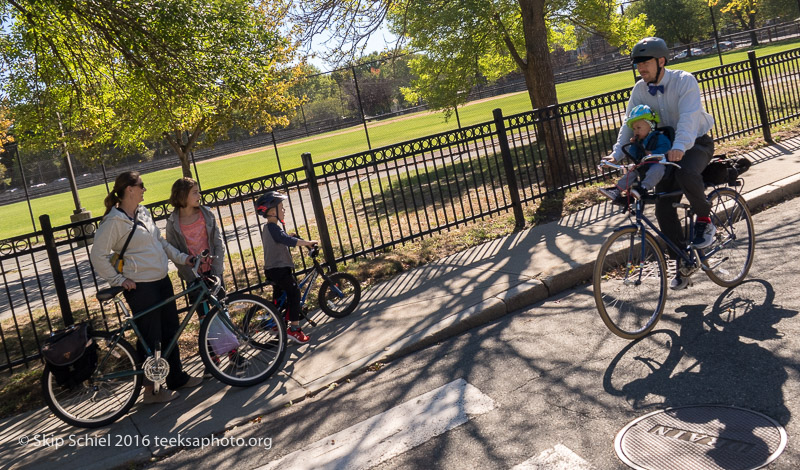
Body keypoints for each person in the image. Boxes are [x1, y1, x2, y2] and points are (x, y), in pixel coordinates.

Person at [607, 36, 716, 290]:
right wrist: (616, 155)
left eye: (645, 62)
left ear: (661, 61)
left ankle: (704, 219)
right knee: (662, 206)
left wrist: (679, 147)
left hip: (695, 142)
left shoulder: (684, 81)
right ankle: (683, 263)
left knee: (686, 173)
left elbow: (689, 118)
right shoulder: (639, 89)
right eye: (638, 64)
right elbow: (628, 124)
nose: (641, 68)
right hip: (664, 149)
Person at [90, 171, 203, 404]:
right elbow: (98, 256)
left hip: (161, 280)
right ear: (129, 190)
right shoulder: (113, 221)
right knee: (152, 338)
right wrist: (119, 280)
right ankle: (151, 391)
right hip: (141, 287)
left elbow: (160, 242)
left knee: (170, 330)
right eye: (141, 185)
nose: (144, 189)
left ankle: (176, 378)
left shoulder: (143, 212)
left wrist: (183, 258)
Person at [165, 177, 240, 377]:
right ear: (183, 196)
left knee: (222, 311)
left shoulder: (206, 214)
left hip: (212, 271)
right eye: (195, 192)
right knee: (204, 317)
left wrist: (217, 268)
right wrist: (190, 273)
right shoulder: (173, 222)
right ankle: (211, 359)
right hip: (193, 276)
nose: (199, 196)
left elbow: (217, 242)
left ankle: (234, 354)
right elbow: (173, 250)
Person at [255, 191, 318, 344]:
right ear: (271, 211)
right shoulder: (272, 227)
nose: (284, 210)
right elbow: (286, 240)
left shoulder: (271, 228)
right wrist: (308, 242)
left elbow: (285, 238)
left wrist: (295, 237)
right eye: (281, 207)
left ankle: (277, 324)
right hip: (279, 269)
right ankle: (294, 329)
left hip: (273, 269)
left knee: (280, 298)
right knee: (295, 292)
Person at [599, 104, 672, 205]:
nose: (636, 131)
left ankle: (643, 188)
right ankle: (618, 189)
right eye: (634, 129)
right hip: (643, 165)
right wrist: (633, 145)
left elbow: (666, 148)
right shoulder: (640, 141)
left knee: (657, 169)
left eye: (639, 127)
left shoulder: (659, 137)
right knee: (632, 170)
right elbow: (633, 154)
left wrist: (653, 153)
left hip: (657, 163)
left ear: (651, 125)